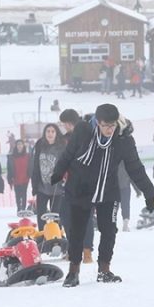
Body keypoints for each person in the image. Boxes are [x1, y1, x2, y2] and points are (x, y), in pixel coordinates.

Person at [52, 104, 154, 287]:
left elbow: (135, 167)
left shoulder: (124, 140)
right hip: (80, 189)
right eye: (105, 126)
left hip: (107, 191)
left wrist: (149, 193)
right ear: (97, 122)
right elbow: (68, 154)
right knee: (77, 231)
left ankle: (104, 270)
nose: (110, 130)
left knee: (109, 230)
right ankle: (74, 271)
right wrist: (58, 172)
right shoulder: (83, 131)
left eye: (112, 125)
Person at [59, 109, 95, 262]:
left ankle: (87, 250)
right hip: (70, 183)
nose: (63, 127)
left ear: (69, 123)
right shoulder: (66, 139)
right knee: (65, 215)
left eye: (64, 124)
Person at [32, 124, 66, 231]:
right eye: (48, 131)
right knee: (41, 215)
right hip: (42, 187)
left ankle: (57, 239)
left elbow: (67, 164)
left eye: (53, 131)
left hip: (57, 188)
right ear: (44, 133)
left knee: (56, 217)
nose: (50, 134)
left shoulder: (61, 147)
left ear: (56, 134)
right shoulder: (40, 145)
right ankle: (42, 238)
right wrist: (34, 185)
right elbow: (35, 166)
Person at [7, 140, 31, 212]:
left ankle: (23, 208)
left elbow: (31, 166)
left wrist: (30, 174)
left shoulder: (28, 156)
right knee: (17, 194)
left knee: (24, 193)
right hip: (16, 178)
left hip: (25, 178)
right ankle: (18, 208)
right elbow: (9, 168)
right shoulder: (12, 156)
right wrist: (10, 178)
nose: (19, 146)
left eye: (21, 144)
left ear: (23, 146)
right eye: (18, 144)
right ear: (16, 146)